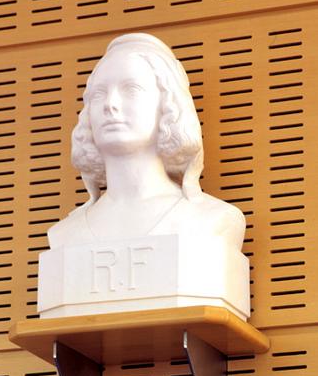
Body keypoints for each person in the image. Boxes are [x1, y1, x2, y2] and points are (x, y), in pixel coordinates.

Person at [48, 33, 246, 250]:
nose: (110, 104)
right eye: (98, 94)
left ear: (169, 106)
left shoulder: (214, 221)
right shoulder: (66, 235)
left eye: (131, 90)